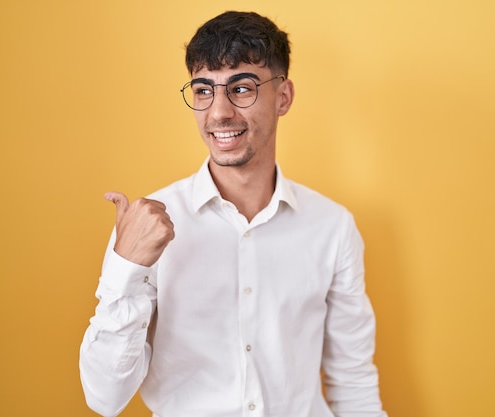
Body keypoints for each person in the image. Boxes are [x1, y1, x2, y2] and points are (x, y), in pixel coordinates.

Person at [79, 10, 388, 417]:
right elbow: (104, 398)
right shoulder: (144, 228)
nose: (219, 112)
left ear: (283, 97)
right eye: (204, 90)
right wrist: (126, 268)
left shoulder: (332, 227)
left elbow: (352, 382)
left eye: (241, 88)